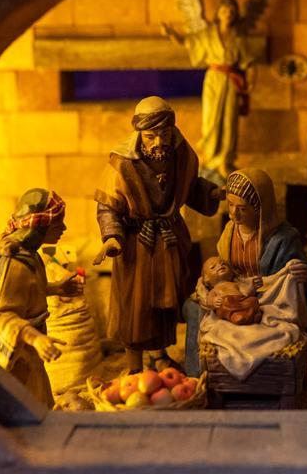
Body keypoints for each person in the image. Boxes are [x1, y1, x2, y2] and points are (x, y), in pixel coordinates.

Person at [92, 96, 225, 374]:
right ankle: (134, 367)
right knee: (134, 306)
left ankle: (159, 356)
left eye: (163, 134)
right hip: (135, 244)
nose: (158, 142)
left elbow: (190, 187)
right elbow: (107, 206)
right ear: (140, 134)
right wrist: (112, 237)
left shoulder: (181, 154)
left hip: (169, 241)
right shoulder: (121, 163)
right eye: (151, 136)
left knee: (164, 305)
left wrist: (213, 192)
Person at [182, 167, 307, 374]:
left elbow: (303, 275)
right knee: (192, 307)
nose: (234, 214)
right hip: (232, 291)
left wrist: (301, 275)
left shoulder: (284, 238)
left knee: (270, 320)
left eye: (242, 208)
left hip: (268, 295)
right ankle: (198, 372)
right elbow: (217, 274)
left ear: (260, 208)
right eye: (231, 205)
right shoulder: (228, 232)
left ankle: (262, 370)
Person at [161, 0, 279, 182]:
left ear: (235, 15)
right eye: (225, 10)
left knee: (229, 121)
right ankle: (210, 159)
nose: (229, 14)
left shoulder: (238, 37)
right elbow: (188, 42)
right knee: (211, 120)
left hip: (232, 81)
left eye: (232, 11)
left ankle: (225, 160)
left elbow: (247, 62)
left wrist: (250, 81)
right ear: (219, 13)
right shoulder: (207, 34)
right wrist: (171, 34)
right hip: (214, 79)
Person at [0, 188, 78, 407]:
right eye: (58, 224)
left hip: (28, 351)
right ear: (42, 225)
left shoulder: (30, 255)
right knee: (25, 404)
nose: (63, 229)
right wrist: (35, 339)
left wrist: (56, 288)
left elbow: (24, 292)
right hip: (17, 355)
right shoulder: (14, 263)